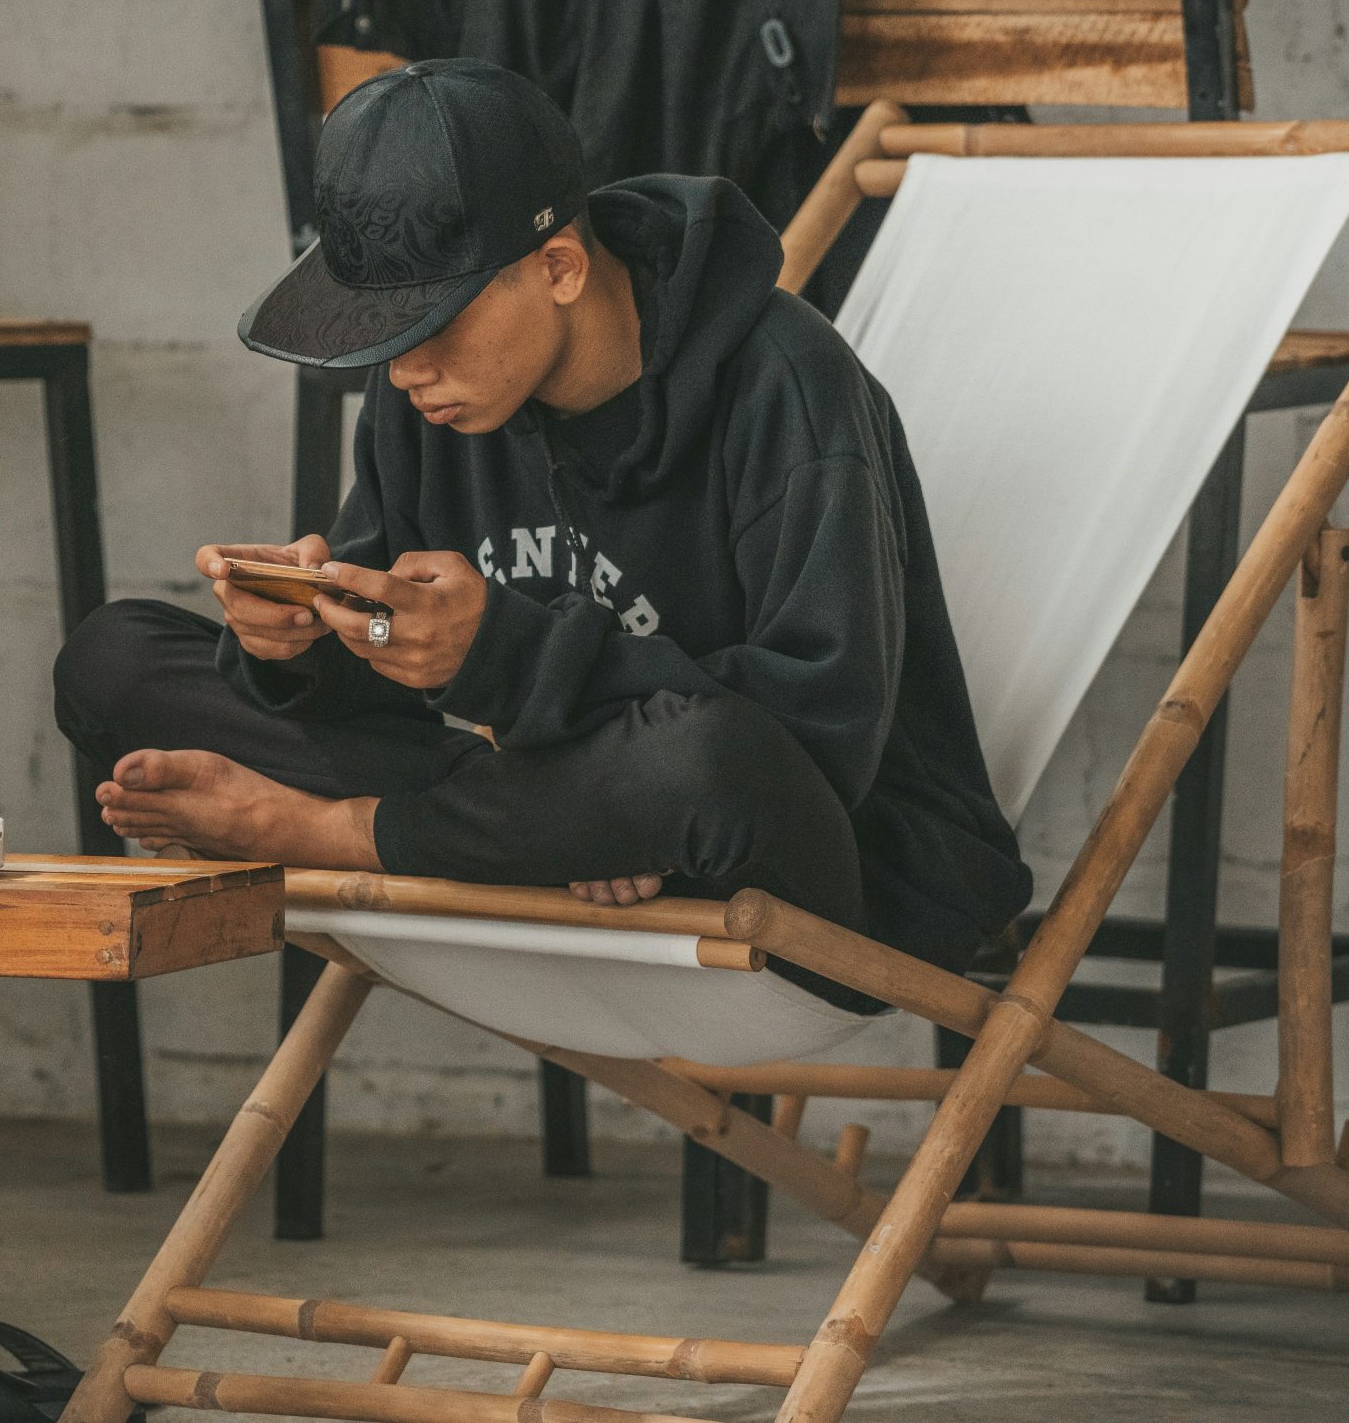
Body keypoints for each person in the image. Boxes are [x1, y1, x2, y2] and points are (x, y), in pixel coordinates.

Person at [54, 59, 1028, 1003]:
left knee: (700, 764)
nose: (402, 371)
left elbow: (820, 739)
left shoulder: (787, 384)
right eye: (381, 334)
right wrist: (303, 641)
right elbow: (386, 693)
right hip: (563, 816)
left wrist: (509, 658)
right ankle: (536, 835)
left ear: (559, 267)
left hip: (823, 876)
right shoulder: (428, 400)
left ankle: (332, 832)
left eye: (430, 324)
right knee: (114, 660)